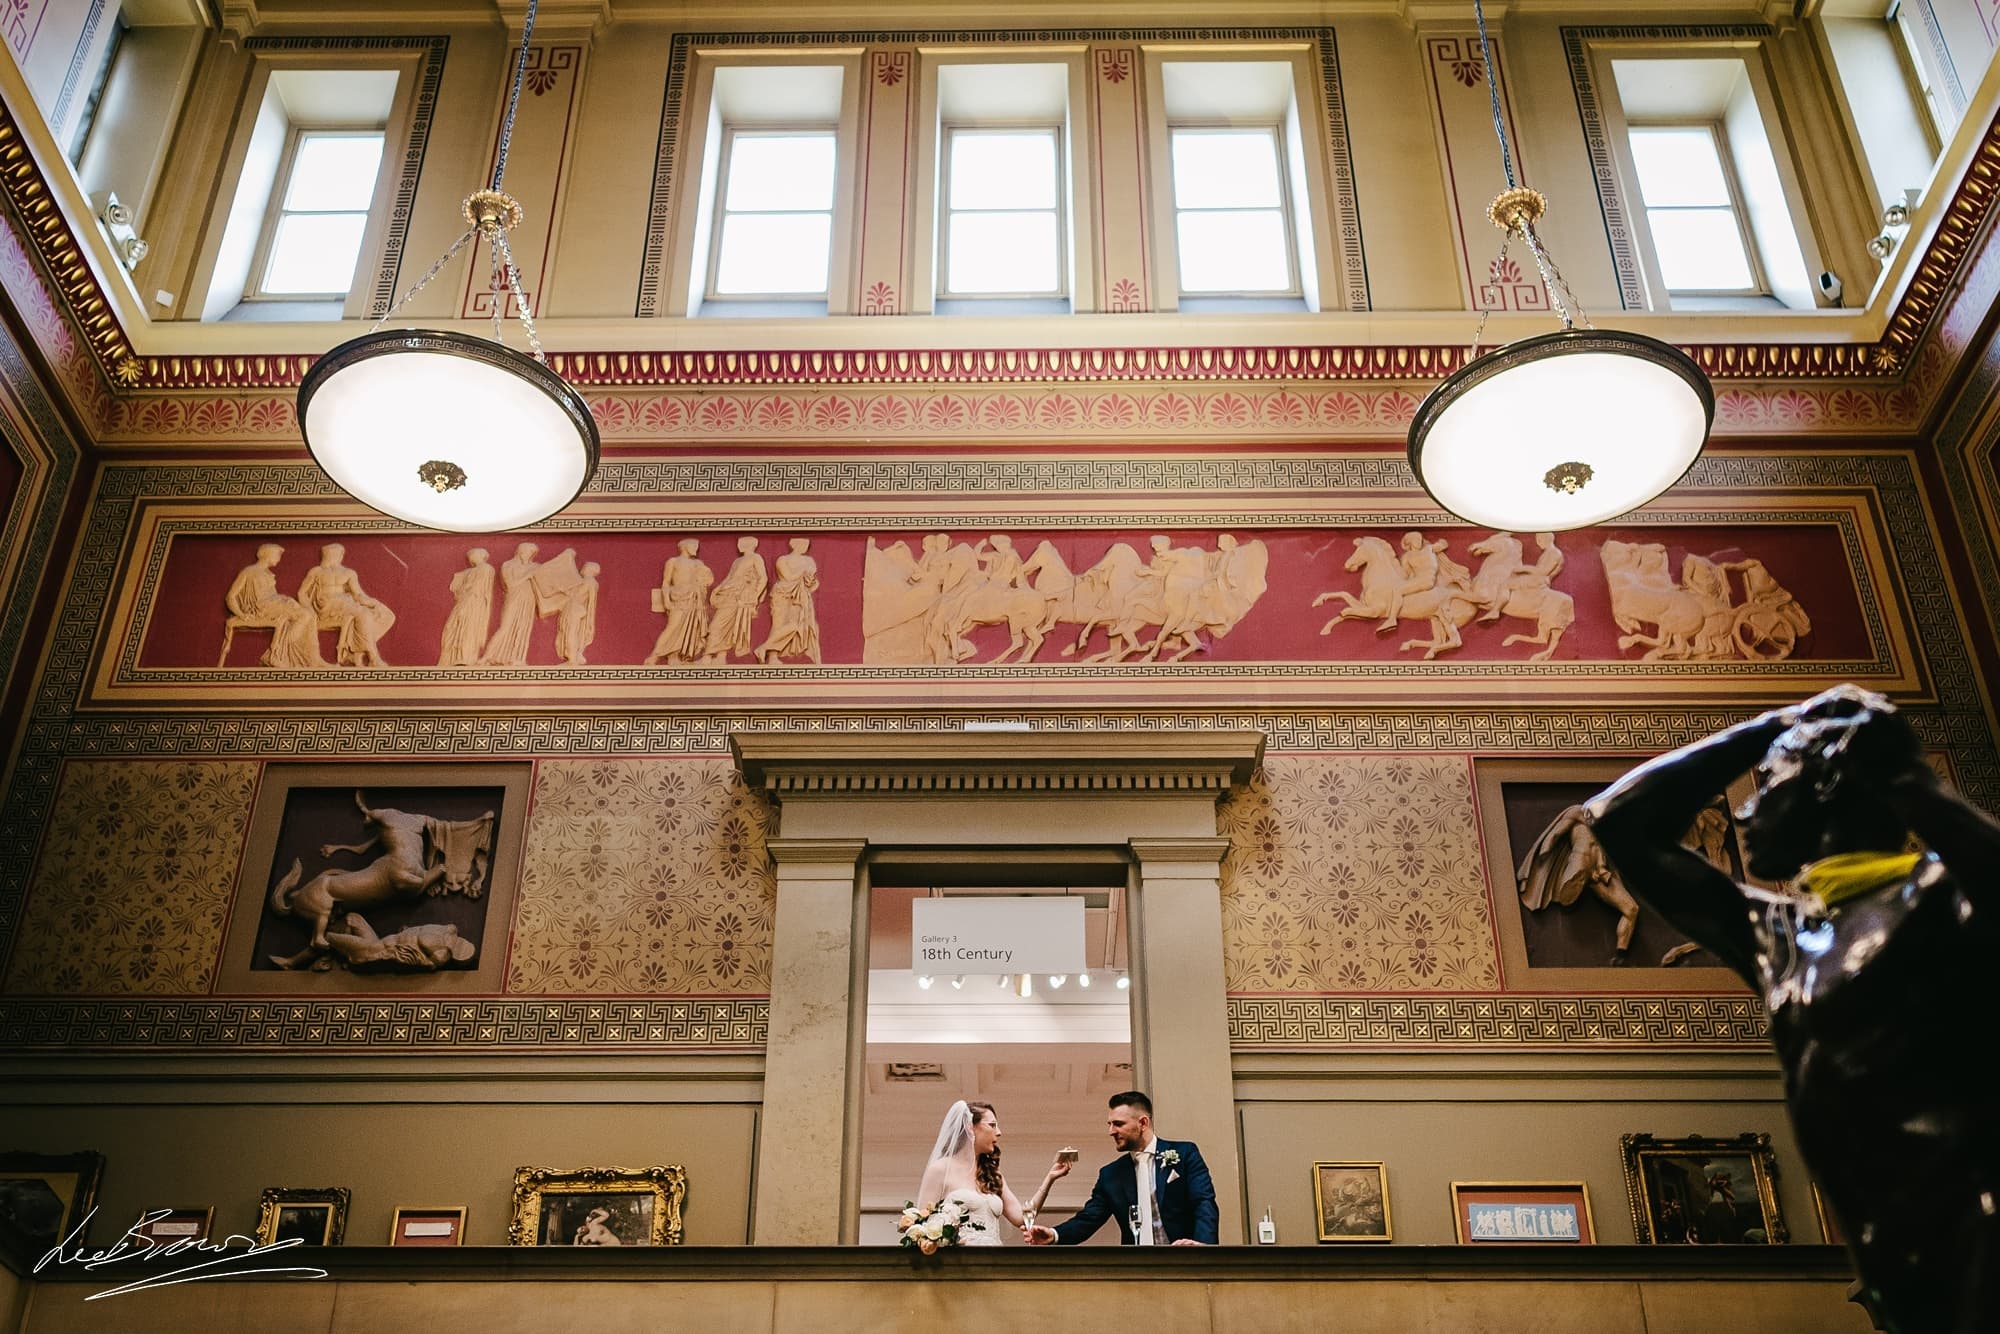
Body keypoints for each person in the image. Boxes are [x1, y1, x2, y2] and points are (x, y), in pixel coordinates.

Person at [1585, 684, 2000, 1334]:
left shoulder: (1948, 900)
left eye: (1768, 783)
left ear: (1829, 787)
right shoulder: (1782, 932)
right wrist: (1771, 725)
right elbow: (1618, 819)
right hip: (1896, 1258)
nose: (1745, 812)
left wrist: (1906, 779)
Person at [1024, 1091, 1217, 1246]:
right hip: (1135, 1271)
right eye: (1109, 1124)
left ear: (1143, 1123)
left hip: (1184, 1261)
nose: (1111, 1131)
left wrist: (1202, 1248)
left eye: (1118, 1124)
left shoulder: (1185, 1154)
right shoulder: (1110, 1175)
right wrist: (1054, 1235)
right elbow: (1089, 1219)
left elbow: (1204, 1203)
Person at [908, 1100, 1067, 1248]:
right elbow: (923, 1226)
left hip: (994, 1258)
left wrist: (1050, 1178)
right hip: (959, 1262)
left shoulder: (991, 1174)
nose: (999, 1132)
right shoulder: (940, 1169)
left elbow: (1022, 1218)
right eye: (992, 1125)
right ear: (970, 1126)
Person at [296, 542, 395, 666]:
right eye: (330, 554)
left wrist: (374, 603)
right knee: (363, 614)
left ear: (341, 555)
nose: (333, 556)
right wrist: (309, 610)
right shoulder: (316, 571)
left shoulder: (348, 573)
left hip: (345, 604)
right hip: (326, 606)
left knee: (378, 614)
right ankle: (373, 658)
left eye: (336, 554)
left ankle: (356, 654)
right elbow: (301, 593)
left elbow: (358, 594)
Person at [481, 543, 542, 667]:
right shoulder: (508, 565)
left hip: (528, 599)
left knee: (523, 628)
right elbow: (510, 584)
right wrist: (528, 575)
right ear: (520, 551)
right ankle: (486, 657)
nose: (528, 555)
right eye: (527, 552)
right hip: (514, 598)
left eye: (531, 553)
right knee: (505, 627)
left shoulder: (536, 566)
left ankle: (518, 658)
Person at [437, 548, 494, 667]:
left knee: (468, 628)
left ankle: (465, 657)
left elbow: (477, 587)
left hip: (473, 602)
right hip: (464, 601)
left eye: (472, 555)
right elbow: (457, 588)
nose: (470, 558)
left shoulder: (486, 568)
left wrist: (464, 591)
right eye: (469, 556)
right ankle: (452, 657)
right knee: (452, 627)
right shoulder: (470, 571)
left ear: (480, 555)